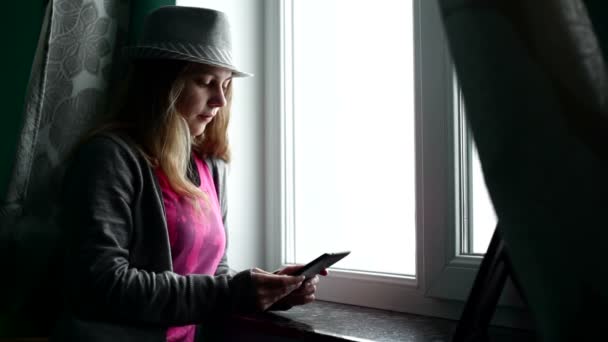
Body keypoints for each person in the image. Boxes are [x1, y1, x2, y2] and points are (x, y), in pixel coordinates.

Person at [51, 6, 324, 342]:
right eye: (206, 81)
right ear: (162, 83)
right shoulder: (108, 157)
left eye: (225, 84)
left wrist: (270, 290)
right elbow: (102, 284)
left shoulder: (211, 166)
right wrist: (234, 292)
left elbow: (213, 274)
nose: (220, 100)